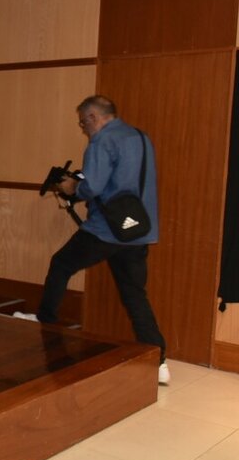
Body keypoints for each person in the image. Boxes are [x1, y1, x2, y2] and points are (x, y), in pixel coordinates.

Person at [14, 95, 169, 385]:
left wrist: (71, 187)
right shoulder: (141, 137)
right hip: (137, 231)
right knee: (135, 294)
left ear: (94, 117)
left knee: (61, 264)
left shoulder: (102, 141)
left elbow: (92, 187)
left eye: (83, 124)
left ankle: (46, 320)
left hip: (105, 229)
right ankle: (159, 361)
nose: (83, 129)